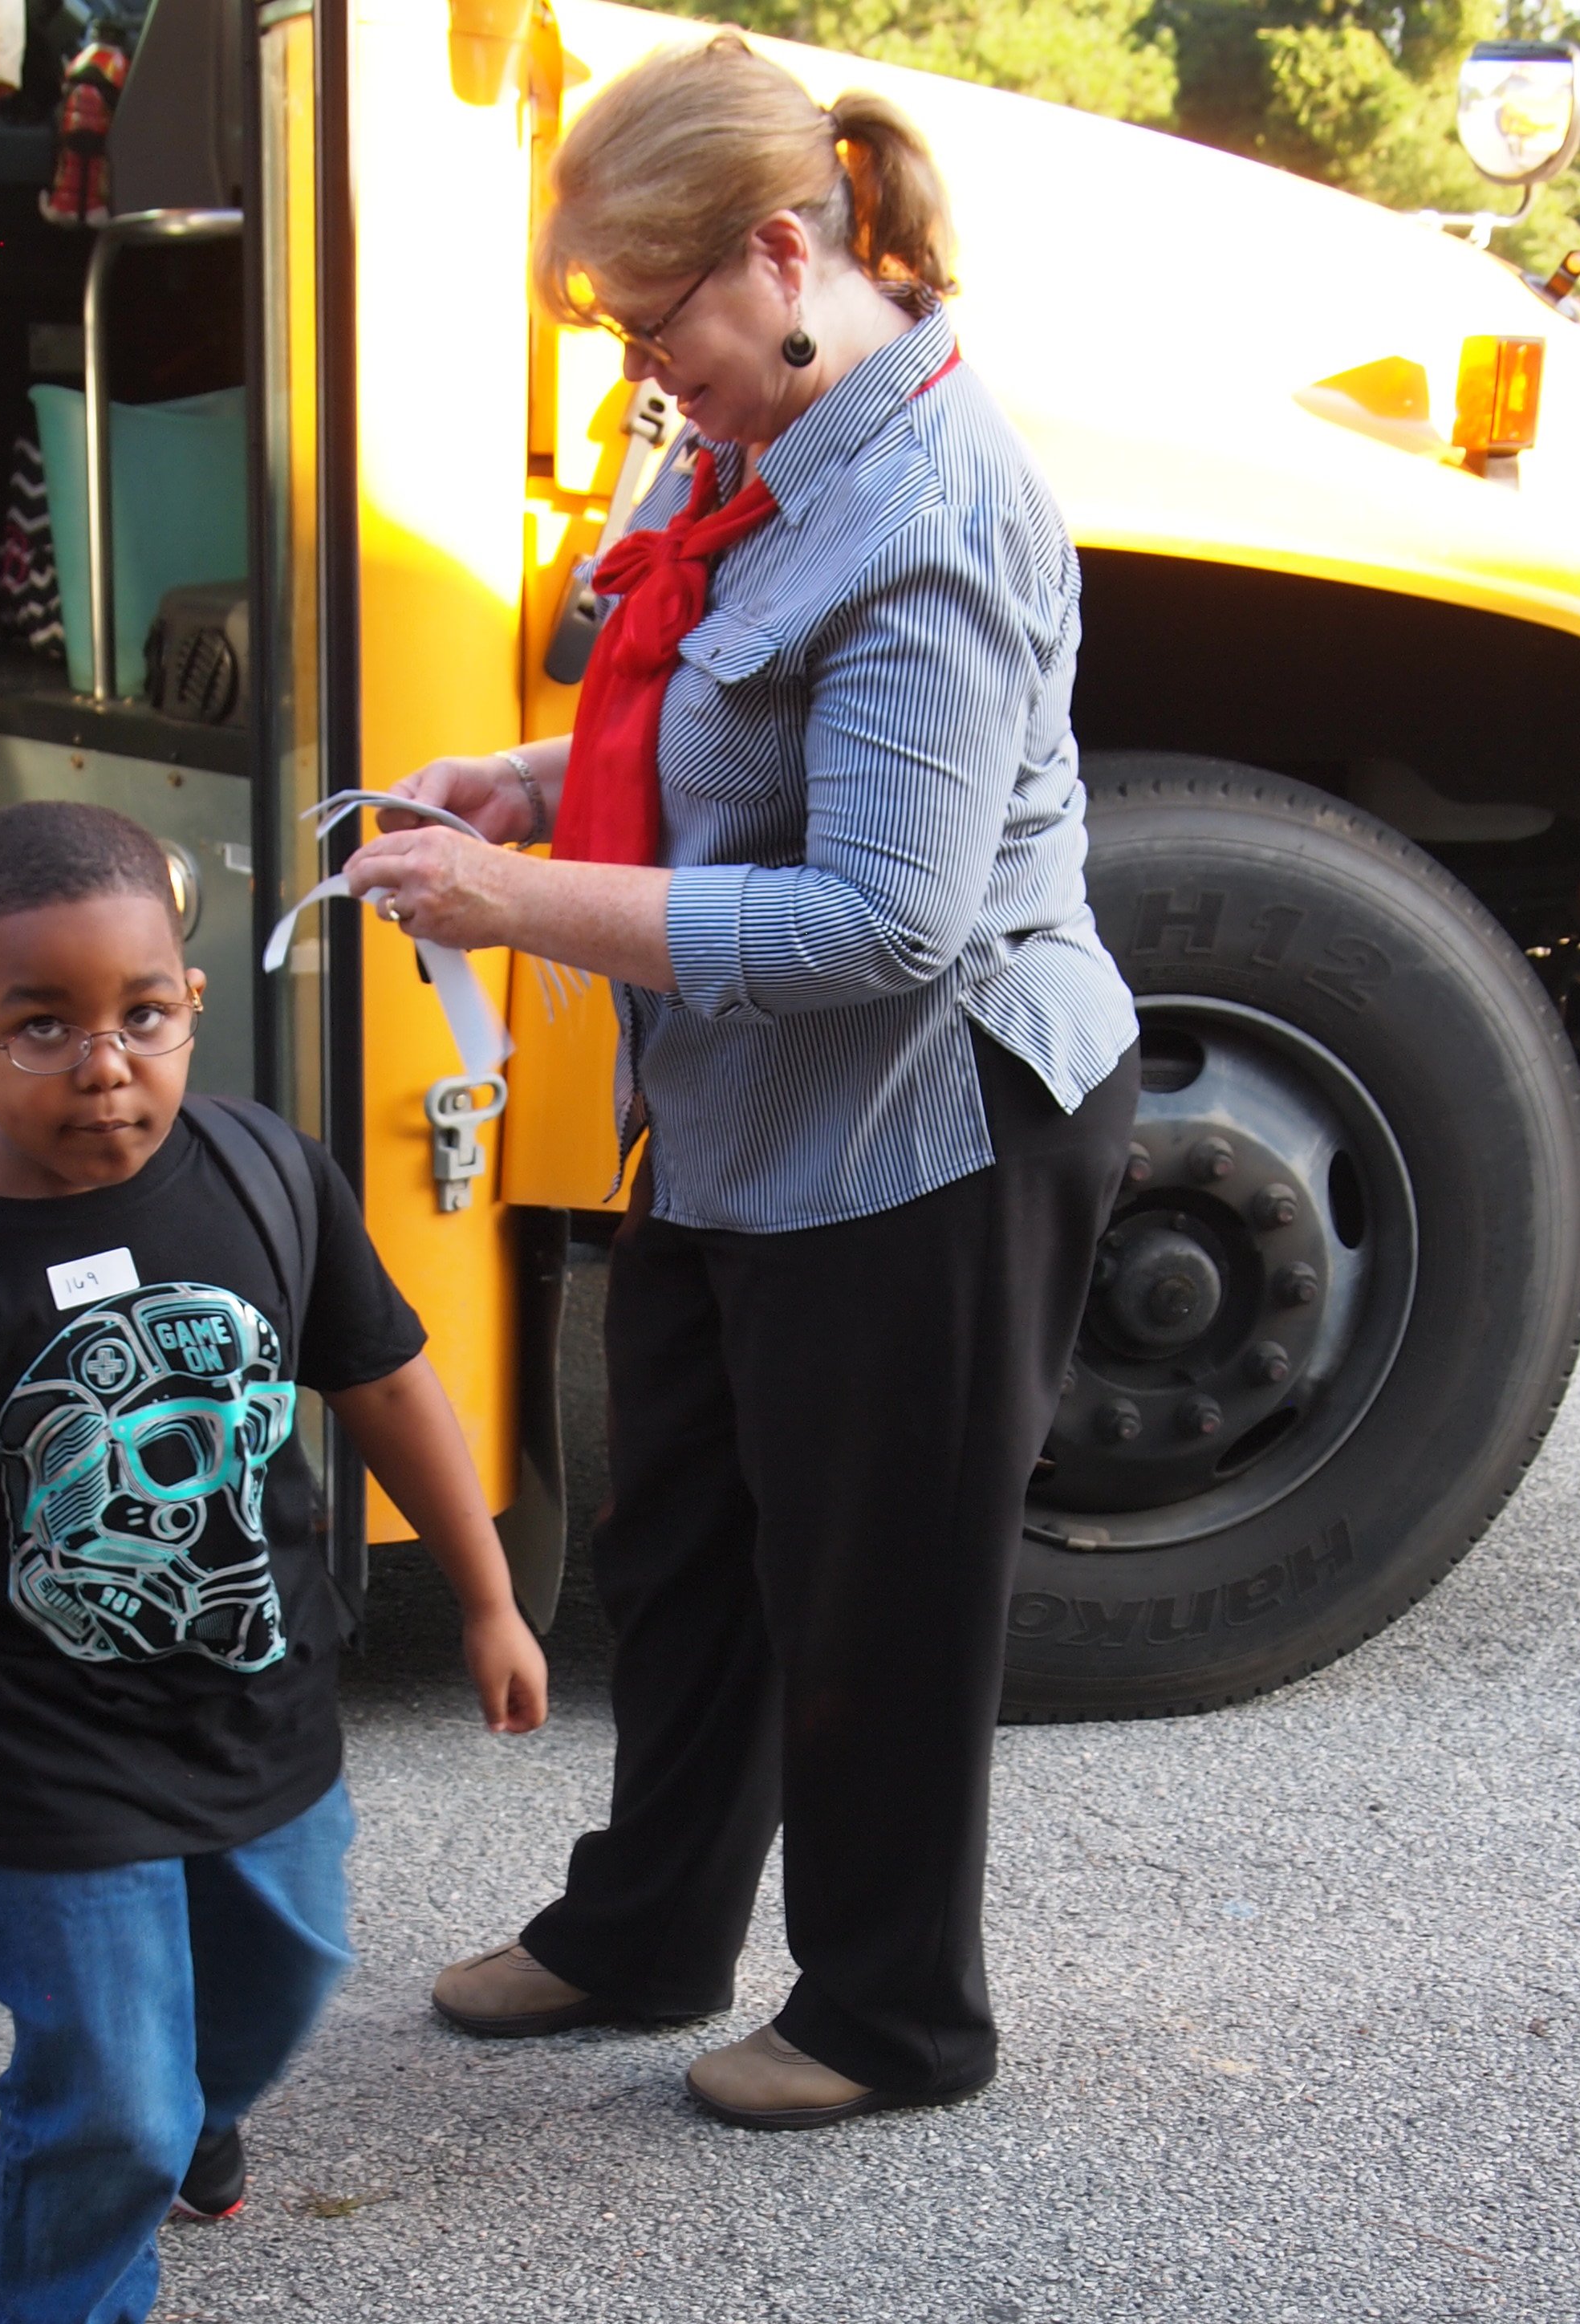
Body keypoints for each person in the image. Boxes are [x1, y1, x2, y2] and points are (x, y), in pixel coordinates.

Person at [350, 33, 1141, 2131]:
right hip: (741, 1104)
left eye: (644, 329)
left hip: (927, 1126)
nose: (638, 381)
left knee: (871, 1589)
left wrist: (518, 901)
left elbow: (882, 923)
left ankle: (894, 2017)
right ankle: (647, 1928)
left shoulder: (937, 513)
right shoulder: (749, 429)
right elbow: (702, 734)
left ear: (778, 253)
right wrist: (509, 788)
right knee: (681, 1539)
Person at [0, 802, 548, 2324]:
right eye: (42, 1025)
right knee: (105, 2085)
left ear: (193, 1002)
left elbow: (390, 1381)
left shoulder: (267, 1172)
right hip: (27, 1760)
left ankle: (193, 2121)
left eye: (143, 1016)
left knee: (286, 1976)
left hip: (260, 1713)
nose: (102, 1065)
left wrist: (487, 1595)